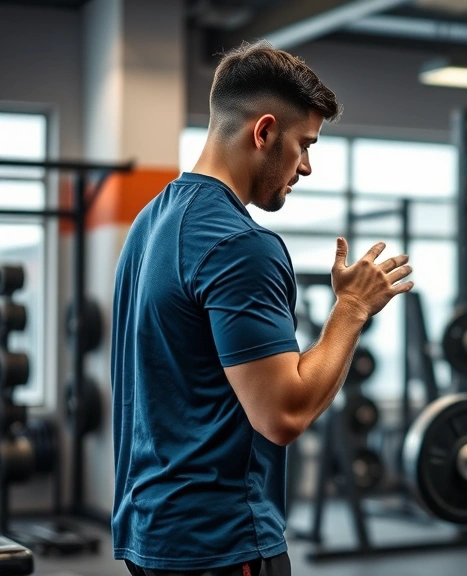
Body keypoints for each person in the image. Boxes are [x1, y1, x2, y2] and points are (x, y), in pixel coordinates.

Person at [110, 41, 414, 576]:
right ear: (264, 131)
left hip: (149, 531)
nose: (308, 166)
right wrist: (352, 309)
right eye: (304, 144)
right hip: (222, 542)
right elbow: (283, 414)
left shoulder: (150, 223)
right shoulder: (240, 244)